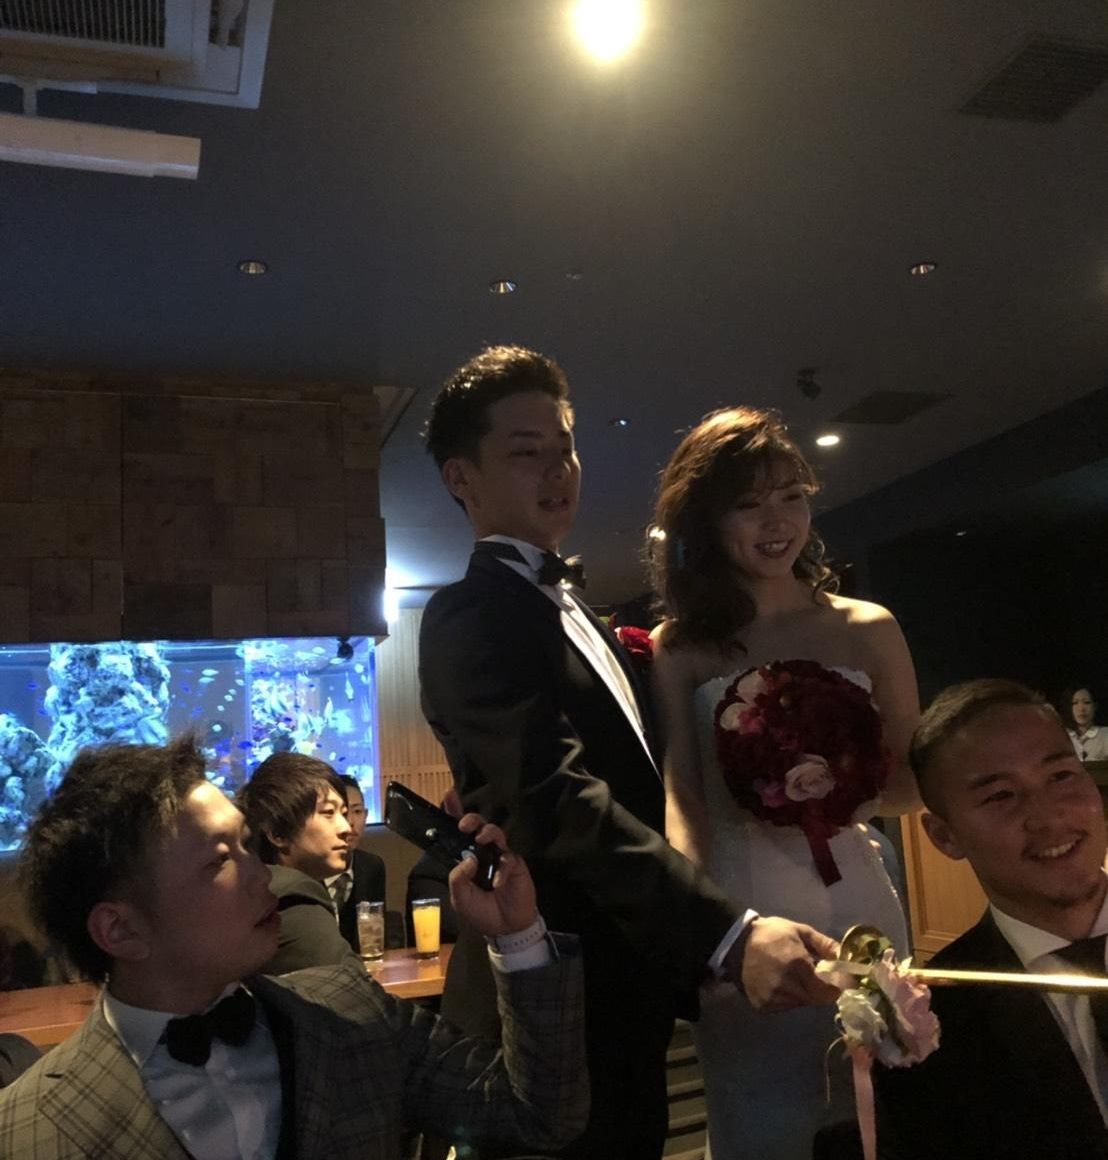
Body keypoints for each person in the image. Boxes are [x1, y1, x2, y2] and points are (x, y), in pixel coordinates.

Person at [419, 345, 839, 1160]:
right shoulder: (468, 615)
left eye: (565, 446)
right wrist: (728, 934)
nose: (558, 469)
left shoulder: (583, 610)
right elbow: (557, 800)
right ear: (460, 477)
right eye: (526, 451)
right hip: (549, 998)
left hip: (626, 985)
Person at [0, 736, 588, 1159]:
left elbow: (539, 1114)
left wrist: (517, 935)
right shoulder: (29, 1130)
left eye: (247, 845)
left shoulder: (347, 1013)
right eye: (220, 861)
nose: (262, 876)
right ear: (121, 930)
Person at [650, 406, 920, 1160]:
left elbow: (913, 782)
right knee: (763, 1114)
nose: (777, 522)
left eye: (791, 496)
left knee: (882, 1098)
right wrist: (703, 934)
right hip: (747, 907)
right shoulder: (682, 648)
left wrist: (839, 789)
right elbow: (684, 797)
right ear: (707, 521)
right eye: (748, 504)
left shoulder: (868, 626)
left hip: (860, 897)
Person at [874, 679, 1108, 1159]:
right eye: (1001, 795)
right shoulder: (929, 1027)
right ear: (944, 836)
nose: (1048, 817)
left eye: (1061, 775)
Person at [330, 773, 389, 953]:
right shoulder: (310, 868)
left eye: (357, 812)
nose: (350, 822)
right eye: (343, 813)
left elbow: (375, 935)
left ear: (366, 815)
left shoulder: (371, 867)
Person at [1063, 686, 1108, 762]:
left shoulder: (1105, 735)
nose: (1081, 709)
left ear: (1095, 706)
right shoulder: (1062, 736)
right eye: (1075, 703)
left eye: (1087, 702)